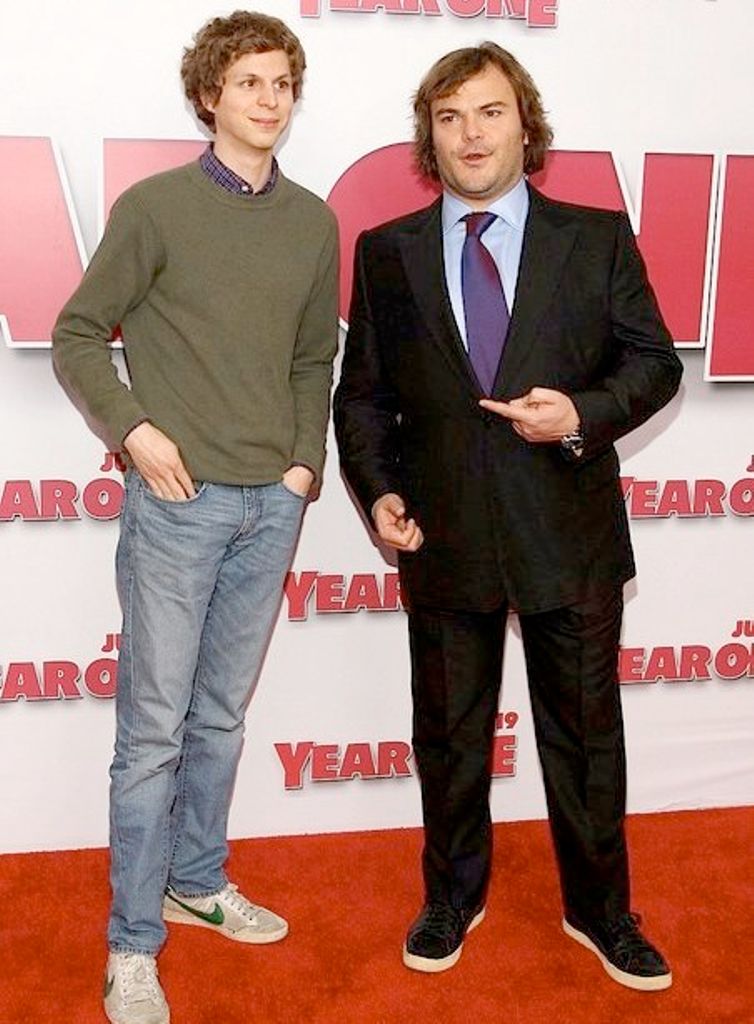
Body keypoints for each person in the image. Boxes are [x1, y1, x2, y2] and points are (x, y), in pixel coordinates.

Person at [334, 42, 682, 990]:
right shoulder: (386, 251)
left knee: (586, 736)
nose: (471, 135)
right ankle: (452, 896)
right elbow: (361, 396)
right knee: (449, 735)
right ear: (429, 137)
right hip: (442, 536)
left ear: (525, 125)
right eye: (449, 118)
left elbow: (655, 364)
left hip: (568, 530)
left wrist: (581, 416)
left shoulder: (595, 237)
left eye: (489, 112)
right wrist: (379, 489)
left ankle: (602, 912)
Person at [53, 11, 338, 1024]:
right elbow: (77, 334)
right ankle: (133, 943)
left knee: (220, 716)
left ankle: (197, 879)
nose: (269, 99)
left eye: (283, 83)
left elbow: (313, 357)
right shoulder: (156, 208)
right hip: (177, 507)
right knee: (153, 734)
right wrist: (136, 431)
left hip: (274, 506)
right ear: (210, 95)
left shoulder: (313, 222)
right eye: (249, 81)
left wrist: (303, 465)